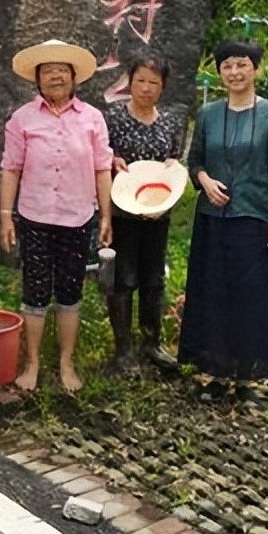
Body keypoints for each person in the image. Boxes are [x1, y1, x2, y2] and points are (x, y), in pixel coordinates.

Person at [178, 39, 268, 403]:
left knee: (251, 299)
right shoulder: (209, 114)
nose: (235, 72)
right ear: (219, 71)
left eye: (242, 65)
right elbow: (194, 162)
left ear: (255, 69)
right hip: (213, 221)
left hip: (255, 220)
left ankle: (247, 379)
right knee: (213, 296)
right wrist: (205, 181)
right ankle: (215, 374)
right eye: (227, 66)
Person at [0, 40, 113, 393]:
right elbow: (11, 168)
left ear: (74, 77)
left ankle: (66, 361)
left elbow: (102, 168)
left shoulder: (93, 118)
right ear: (37, 79)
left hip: (78, 217)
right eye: (47, 71)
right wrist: (5, 214)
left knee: (70, 291)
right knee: (34, 290)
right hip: (34, 217)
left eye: (62, 70)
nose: (55, 76)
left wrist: (106, 215)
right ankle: (32, 362)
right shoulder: (23, 119)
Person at [104, 56, 185, 374]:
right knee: (121, 281)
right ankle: (122, 351)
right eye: (140, 80)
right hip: (122, 214)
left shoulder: (169, 122)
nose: (146, 88)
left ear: (163, 86)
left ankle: (151, 344)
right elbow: (100, 159)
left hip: (157, 214)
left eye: (154, 82)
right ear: (130, 81)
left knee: (154, 280)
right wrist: (112, 160)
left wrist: (167, 195)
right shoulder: (112, 118)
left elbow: (174, 165)